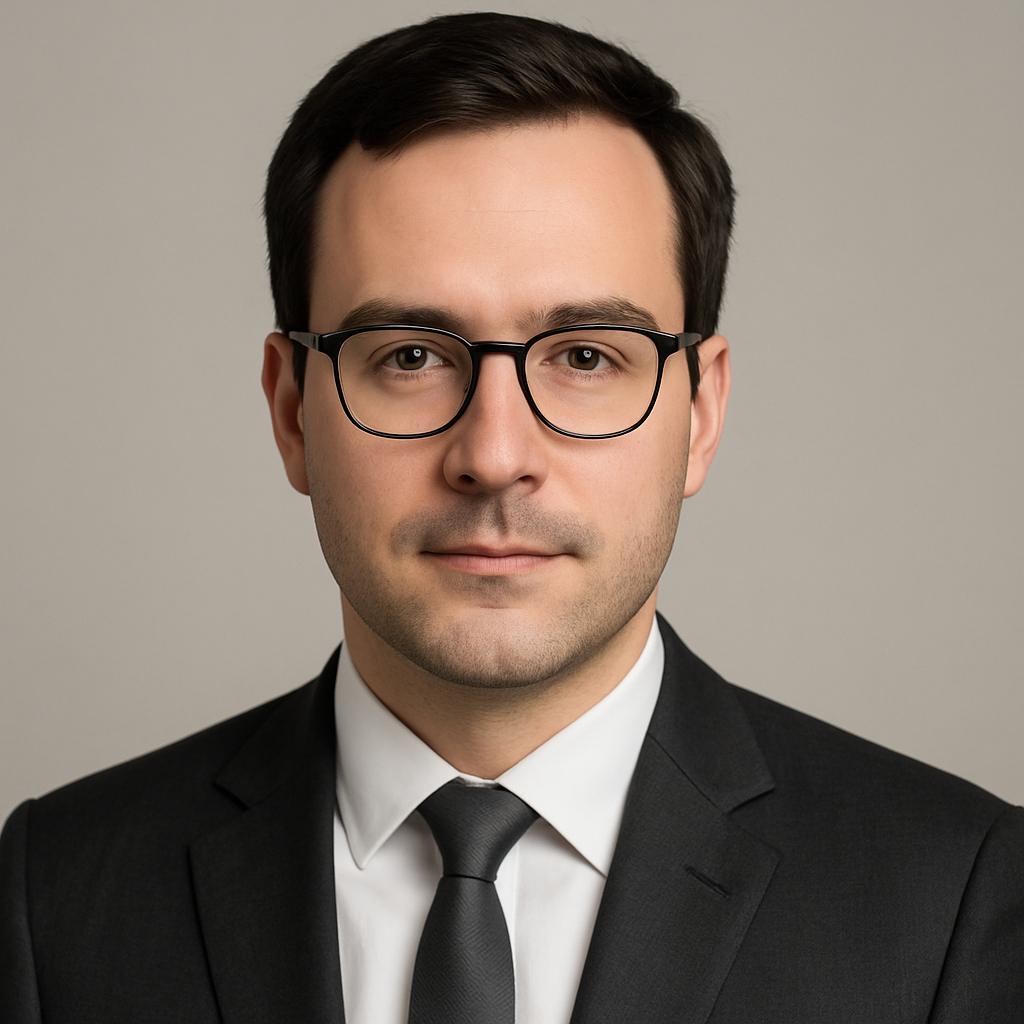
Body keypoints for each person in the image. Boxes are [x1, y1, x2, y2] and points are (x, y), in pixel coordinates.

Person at [1, 11, 1021, 1023]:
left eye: (586, 356)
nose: (493, 456)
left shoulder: (953, 900)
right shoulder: (54, 897)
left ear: (700, 413)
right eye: (409, 356)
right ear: (292, 411)